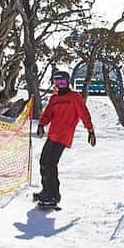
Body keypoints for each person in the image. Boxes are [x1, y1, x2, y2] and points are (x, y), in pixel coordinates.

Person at [33, 70, 96, 207]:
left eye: (62, 82)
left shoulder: (74, 97)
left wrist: (90, 130)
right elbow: (48, 113)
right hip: (52, 134)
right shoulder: (54, 99)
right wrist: (41, 124)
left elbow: (84, 113)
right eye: (57, 82)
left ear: (68, 83)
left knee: (50, 163)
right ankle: (48, 192)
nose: (60, 85)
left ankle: (52, 196)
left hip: (63, 136)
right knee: (43, 161)